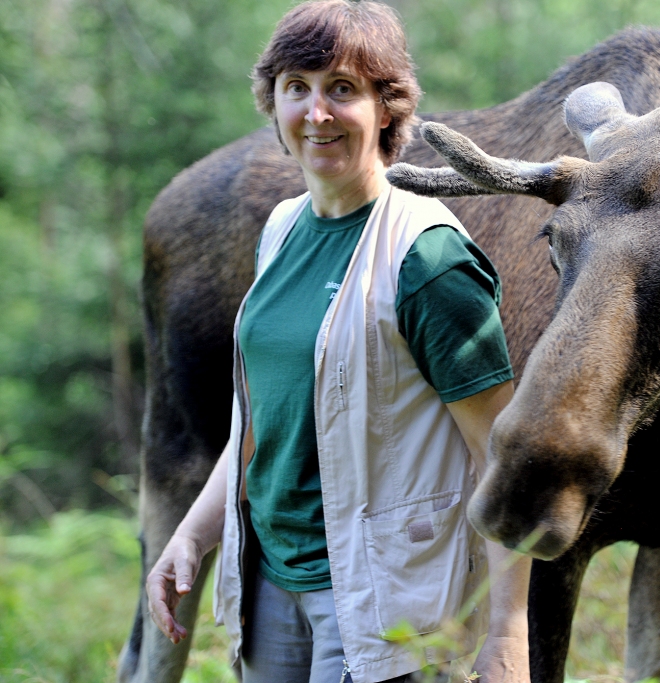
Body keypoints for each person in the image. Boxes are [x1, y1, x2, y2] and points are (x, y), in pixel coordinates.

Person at [144, 3, 530, 683]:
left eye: (342, 89)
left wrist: (507, 632)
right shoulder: (281, 229)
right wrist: (194, 535)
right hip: (270, 585)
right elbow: (259, 424)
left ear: (387, 107)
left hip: (384, 600)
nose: (316, 112)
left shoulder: (427, 257)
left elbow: (500, 455)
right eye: (297, 87)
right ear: (273, 102)